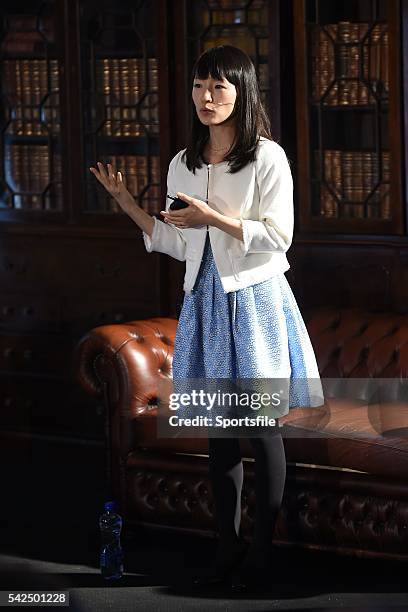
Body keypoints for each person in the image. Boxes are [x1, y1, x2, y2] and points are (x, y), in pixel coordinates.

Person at [90, 44, 324, 592]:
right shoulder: (182, 163)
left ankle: (263, 552)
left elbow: (278, 237)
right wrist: (128, 203)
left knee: (261, 431)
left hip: (257, 301)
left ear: (241, 94)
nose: (206, 97)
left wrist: (212, 216)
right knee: (219, 435)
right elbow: (178, 242)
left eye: (218, 87)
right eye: (199, 86)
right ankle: (227, 548)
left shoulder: (267, 158)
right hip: (205, 303)